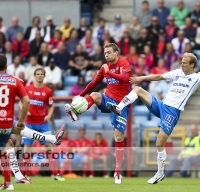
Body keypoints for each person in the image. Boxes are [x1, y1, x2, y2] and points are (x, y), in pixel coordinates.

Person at [106, 52, 200, 184]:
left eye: (184, 63)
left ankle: (160, 173)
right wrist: (142, 78)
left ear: (192, 65)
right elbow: (160, 76)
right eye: (182, 62)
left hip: (172, 112)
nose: (182, 64)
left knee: (159, 143)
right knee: (138, 89)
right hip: (161, 105)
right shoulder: (178, 73)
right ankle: (119, 107)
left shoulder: (197, 78)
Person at [65, 43, 131, 184]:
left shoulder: (123, 63)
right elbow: (93, 83)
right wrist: (80, 96)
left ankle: (117, 170)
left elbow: (125, 79)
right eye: (105, 53)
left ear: (116, 53)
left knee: (119, 138)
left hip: (121, 104)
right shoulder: (104, 66)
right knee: (94, 94)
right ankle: (76, 111)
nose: (106, 55)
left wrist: (109, 73)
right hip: (108, 99)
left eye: (109, 52)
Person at [21, 68, 65, 181]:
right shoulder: (27, 88)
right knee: (27, 149)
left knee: (49, 148)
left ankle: (56, 174)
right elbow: (21, 104)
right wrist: (25, 112)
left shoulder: (48, 91)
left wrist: (49, 115)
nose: (39, 76)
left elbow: (51, 106)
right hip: (29, 123)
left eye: (41, 74)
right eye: (38, 74)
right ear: (34, 76)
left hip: (42, 123)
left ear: (44, 76)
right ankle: (25, 175)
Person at [0, 53, 29, 190]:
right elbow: (26, 100)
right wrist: (22, 120)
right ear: (7, 66)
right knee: (6, 145)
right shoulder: (15, 80)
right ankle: (8, 183)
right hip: (7, 123)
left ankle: (9, 182)